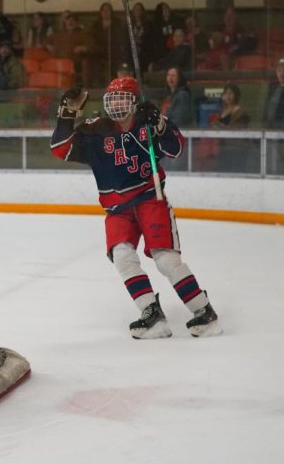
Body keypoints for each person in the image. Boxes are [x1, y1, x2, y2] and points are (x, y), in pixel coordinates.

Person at [49, 77, 221, 338]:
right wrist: (66, 114)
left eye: (122, 97)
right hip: (117, 208)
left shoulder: (147, 122)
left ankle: (203, 311)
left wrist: (160, 124)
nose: (117, 102)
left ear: (133, 101)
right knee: (122, 256)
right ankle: (151, 314)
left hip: (150, 199)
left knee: (166, 259)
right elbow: (60, 148)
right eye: (113, 97)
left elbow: (176, 148)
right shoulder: (96, 129)